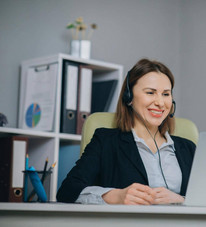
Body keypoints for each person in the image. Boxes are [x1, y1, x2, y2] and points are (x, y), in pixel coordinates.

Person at [56, 59, 196, 205]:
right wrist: (114, 196)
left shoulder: (189, 148)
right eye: (150, 92)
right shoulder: (105, 141)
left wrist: (182, 200)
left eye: (166, 94)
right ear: (128, 97)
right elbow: (67, 191)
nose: (160, 103)